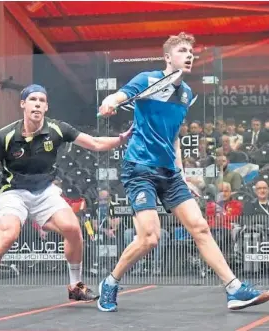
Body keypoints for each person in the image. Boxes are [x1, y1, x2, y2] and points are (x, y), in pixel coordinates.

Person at [97, 32, 269, 312]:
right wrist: (110, 102)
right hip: (140, 168)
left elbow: (173, 136)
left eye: (191, 51)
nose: (189, 55)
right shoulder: (147, 79)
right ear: (168, 57)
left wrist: (181, 171)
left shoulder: (186, 94)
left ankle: (235, 289)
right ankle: (111, 281)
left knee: (200, 226)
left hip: (170, 173)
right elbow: (120, 95)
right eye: (182, 51)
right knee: (150, 237)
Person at [0, 84, 132, 315]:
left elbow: (95, 143)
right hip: (13, 193)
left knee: (73, 228)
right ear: (23, 104)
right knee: (8, 235)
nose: (37, 103)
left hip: (44, 192)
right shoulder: (5, 136)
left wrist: (121, 139)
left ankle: (75, 285)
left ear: (46, 106)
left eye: (42, 100)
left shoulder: (58, 129)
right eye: (32, 99)